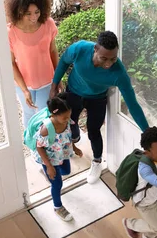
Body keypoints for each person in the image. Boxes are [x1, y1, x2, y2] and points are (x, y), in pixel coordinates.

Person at [50, 31, 149, 184]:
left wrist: (147, 133)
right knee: (69, 125)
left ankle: (97, 162)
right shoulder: (80, 49)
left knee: (94, 130)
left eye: (113, 58)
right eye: (104, 58)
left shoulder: (119, 74)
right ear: (95, 49)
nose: (108, 63)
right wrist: (54, 85)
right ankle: (74, 138)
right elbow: (63, 61)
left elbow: (133, 104)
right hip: (74, 93)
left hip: (97, 99)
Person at [6, 0, 59, 128]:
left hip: (47, 82)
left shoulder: (48, 24)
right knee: (28, 114)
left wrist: (58, 78)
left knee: (45, 115)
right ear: (18, 12)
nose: (34, 17)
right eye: (28, 13)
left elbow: (53, 51)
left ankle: (44, 147)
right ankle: (33, 147)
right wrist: (24, 90)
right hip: (23, 83)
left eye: (37, 12)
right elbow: (11, 63)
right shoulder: (10, 32)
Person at [34, 93, 83, 221]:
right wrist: (49, 166)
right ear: (54, 115)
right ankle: (57, 207)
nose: (68, 119)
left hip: (63, 153)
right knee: (57, 184)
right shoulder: (46, 129)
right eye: (65, 117)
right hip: (50, 159)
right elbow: (39, 147)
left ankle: (50, 176)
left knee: (66, 171)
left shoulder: (66, 121)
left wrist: (75, 148)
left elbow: (68, 135)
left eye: (69, 116)